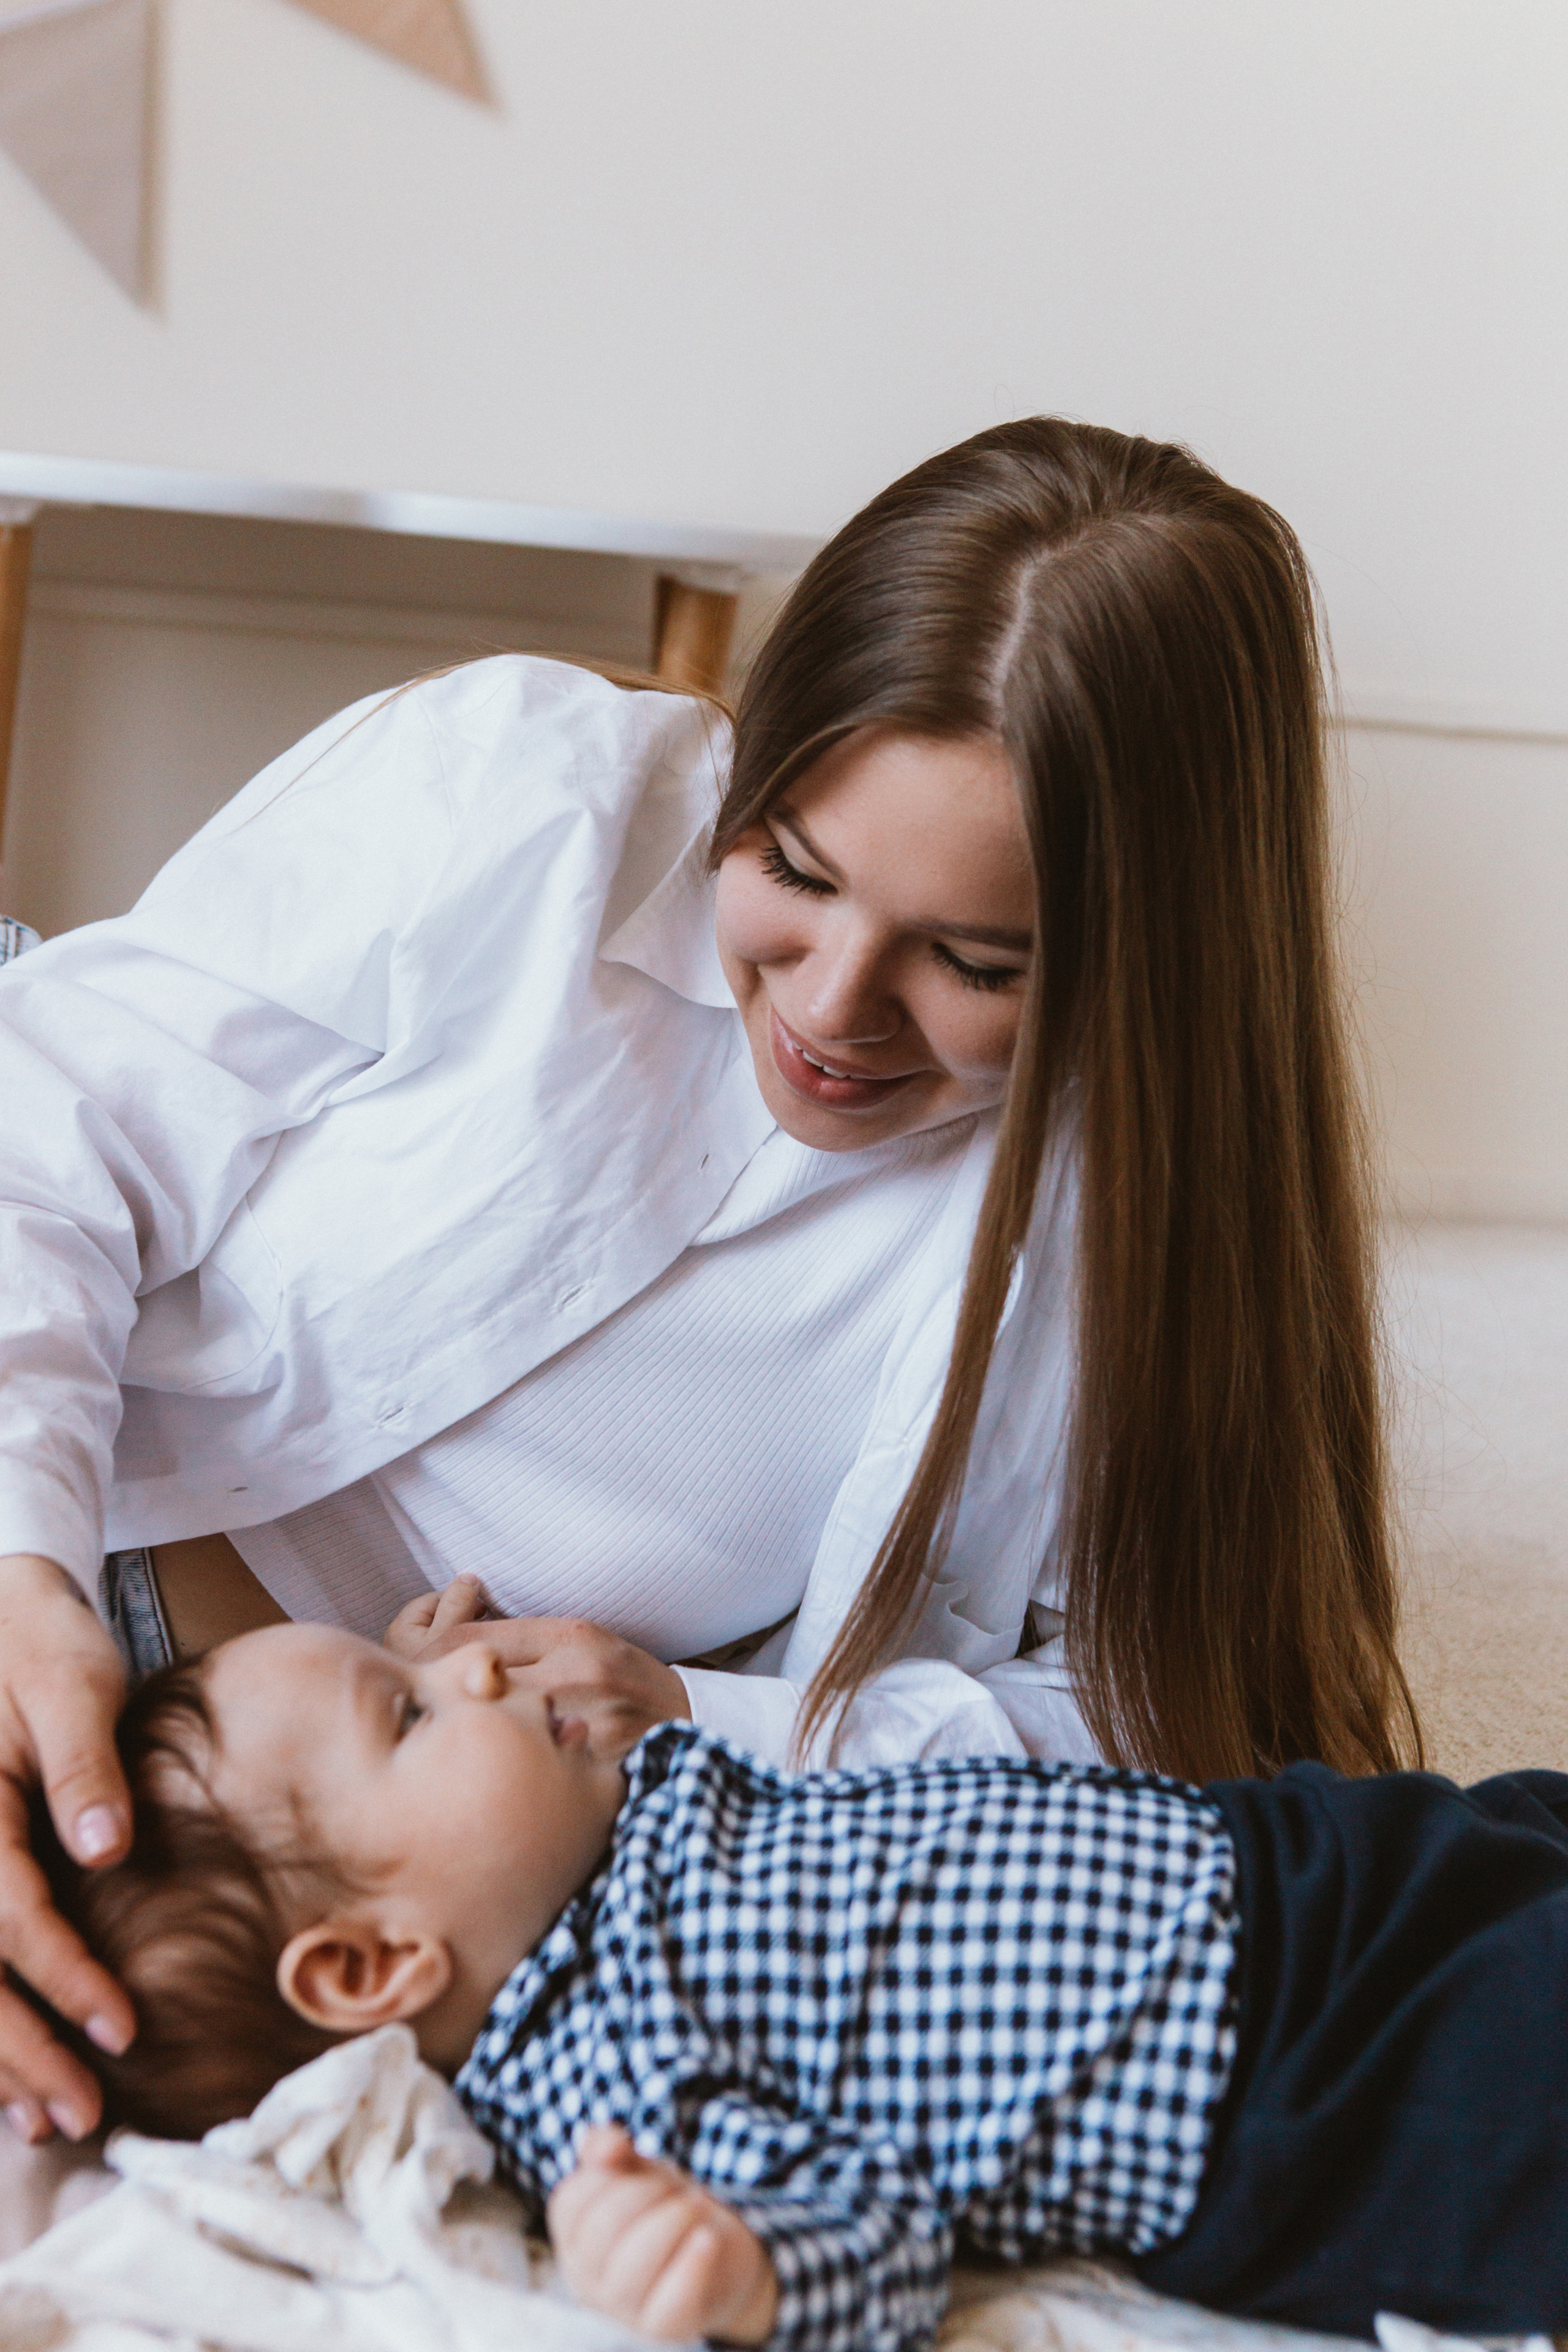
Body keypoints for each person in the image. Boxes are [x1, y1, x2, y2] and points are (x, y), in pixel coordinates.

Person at [0, 417, 1417, 2142]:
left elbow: (1163, 1740)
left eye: (975, 963)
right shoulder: (522, 793)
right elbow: (52, 1124)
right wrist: (19, 1556)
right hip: (70, 1527)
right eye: (795, 875)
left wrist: (687, 1712)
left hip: (379, 1821)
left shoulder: (1141, 1232)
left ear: (1148, 963)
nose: (829, 1008)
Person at [42, 1608, 1568, 2347]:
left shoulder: (613, 1820)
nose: (478, 1665)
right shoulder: (600, 2082)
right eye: (413, 1712)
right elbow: (876, 2240)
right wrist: (740, 2274)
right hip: (1301, 2092)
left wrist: (454, 1714)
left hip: (1295, 1860)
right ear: (372, 1965)